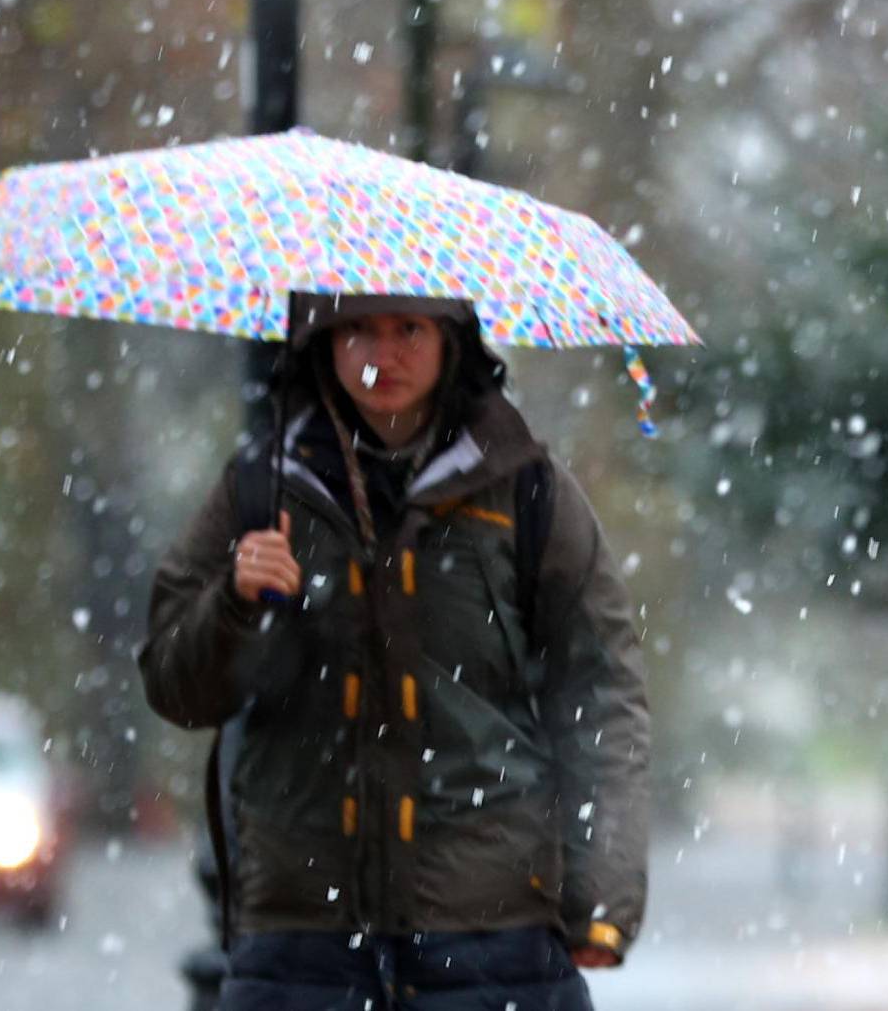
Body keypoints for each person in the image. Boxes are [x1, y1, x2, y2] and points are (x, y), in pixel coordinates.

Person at [140, 293, 650, 1011]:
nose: (384, 354)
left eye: (408, 329)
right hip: (301, 945)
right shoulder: (260, 489)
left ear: (450, 340)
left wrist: (601, 892)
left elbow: (600, 690)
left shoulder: (525, 487)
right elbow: (176, 687)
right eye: (358, 330)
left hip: (489, 937)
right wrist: (235, 599)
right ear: (321, 339)